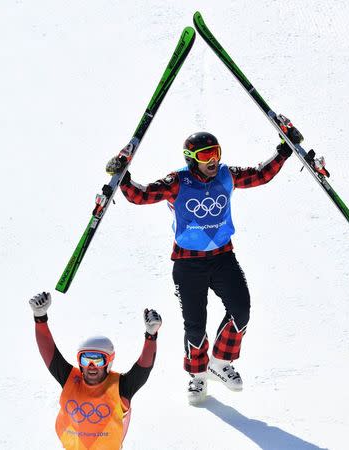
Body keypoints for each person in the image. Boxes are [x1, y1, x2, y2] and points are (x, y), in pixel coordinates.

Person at [106, 115, 302, 405]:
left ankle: (220, 363)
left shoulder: (227, 175)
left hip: (223, 257)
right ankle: (197, 376)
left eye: (216, 153)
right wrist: (123, 177)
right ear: (191, 159)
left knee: (241, 310)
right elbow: (142, 196)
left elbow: (261, 175)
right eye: (205, 155)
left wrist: (284, 150)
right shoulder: (178, 182)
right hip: (188, 264)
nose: (213, 160)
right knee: (195, 326)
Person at [29, 291, 162, 449]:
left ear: (108, 362)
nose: (91, 366)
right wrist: (40, 317)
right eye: (86, 359)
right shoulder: (70, 379)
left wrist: (151, 335)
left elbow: (143, 368)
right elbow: (50, 353)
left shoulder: (121, 387)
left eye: (98, 360)